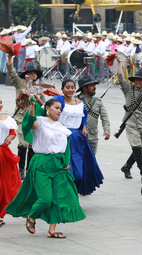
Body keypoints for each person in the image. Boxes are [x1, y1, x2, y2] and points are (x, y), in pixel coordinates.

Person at [6, 97, 86, 238]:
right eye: (56, 108)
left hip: (59, 165)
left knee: (57, 198)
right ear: (47, 108)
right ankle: (32, 216)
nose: (59, 111)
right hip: (42, 163)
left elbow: (66, 145)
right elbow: (29, 121)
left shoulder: (61, 126)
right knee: (45, 198)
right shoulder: (40, 122)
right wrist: (32, 105)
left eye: (60, 109)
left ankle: (52, 230)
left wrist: (66, 161)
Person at [52, 78, 104, 195]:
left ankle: (73, 193)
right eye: (67, 87)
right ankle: (65, 196)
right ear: (62, 89)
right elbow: (46, 108)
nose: (70, 90)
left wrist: (84, 126)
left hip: (76, 139)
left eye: (72, 87)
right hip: (61, 137)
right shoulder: (58, 100)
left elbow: (84, 117)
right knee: (65, 170)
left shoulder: (79, 103)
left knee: (79, 174)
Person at [7, 53, 46, 180]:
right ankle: (21, 169)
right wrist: (9, 58)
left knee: (31, 145)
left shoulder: (39, 88)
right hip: (20, 118)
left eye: (35, 73)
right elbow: (11, 72)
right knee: (23, 143)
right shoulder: (20, 83)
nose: (33, 75)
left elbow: (44, 105)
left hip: (33, 120)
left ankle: (29, 169)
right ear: (26, 74)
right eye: (30, 73)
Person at [116, 55, 142, 180]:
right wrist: (119, 63)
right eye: (136, 79)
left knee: (139, 148)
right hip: (130, 121)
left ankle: (127, 166)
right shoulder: (128, 89)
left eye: (141, 80)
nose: (138, 82)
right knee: (137, 146)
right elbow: (121, 78)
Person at [0, 97, 21, 226]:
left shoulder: (8, 120)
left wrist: (11, 136)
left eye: (1, 102)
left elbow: (13, 132)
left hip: (3, 154)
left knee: (6, 184)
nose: (0, 105)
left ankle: (1, 213)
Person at [76, 75, 110, 155]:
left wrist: (107, 130)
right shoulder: (75, 99)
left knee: (91, 161)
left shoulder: (98, 101)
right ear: (84, 88)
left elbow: (104, 117)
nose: (94, 87)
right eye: (91, 85)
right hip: (79, 135)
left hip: (93, 137)